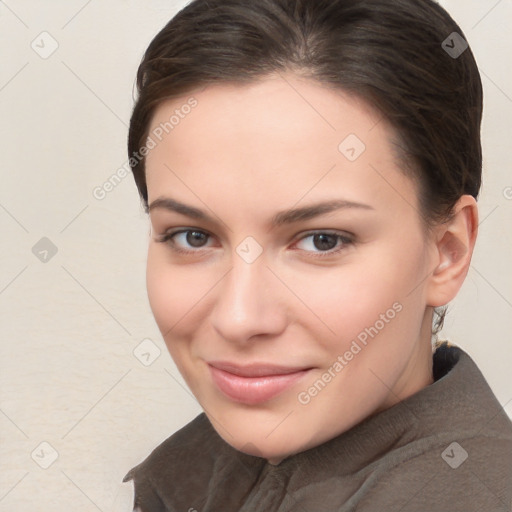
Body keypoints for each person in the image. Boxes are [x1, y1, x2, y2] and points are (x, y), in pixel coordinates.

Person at [122, 0, 512, 510]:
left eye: (321, 240)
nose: (239, 319)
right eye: (193, 236)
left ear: (446, 252)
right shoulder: (186, 474)